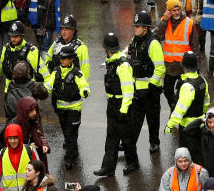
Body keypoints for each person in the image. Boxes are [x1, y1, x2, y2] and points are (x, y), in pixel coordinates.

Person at [93, 31, 140, 177]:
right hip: (113, 103)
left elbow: (128, 90)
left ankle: (133, 163)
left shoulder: (122, 65)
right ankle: (108, 167)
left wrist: (123, 110)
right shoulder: (112, 61)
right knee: (111, 137)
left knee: (126, 138)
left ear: (107, 49)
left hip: (122, 105)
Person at [43, 45, 89, 169]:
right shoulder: (56, 71)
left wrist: (85, 91)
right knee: (66, 132)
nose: (62, 60)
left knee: (70, 134)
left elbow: (84, 85)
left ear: (71, 59)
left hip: (74, 109)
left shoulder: (77, 73)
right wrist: (42, 90)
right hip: (61, 109)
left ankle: (70, 158)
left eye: (65, 58)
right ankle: (73, 151)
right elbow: (48, 84)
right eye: (61, 58)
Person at [128, 10, 166, 153]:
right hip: (137, 87)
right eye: (135, 26)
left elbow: (160, 68)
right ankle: (130, 142)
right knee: (134, 119)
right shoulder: (134, 41)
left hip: (150, 89)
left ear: (145, 28)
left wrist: (151, 85)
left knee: (152, 118)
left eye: (138, 26)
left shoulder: (153, 44)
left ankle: (154, 142)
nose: (135, 28)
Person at [157, 0, 204, 108]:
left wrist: (197, 66)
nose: (177, 12)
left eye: (178, 9)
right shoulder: (165, 21)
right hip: (169, 65)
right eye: (174, 10)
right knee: (168, 91)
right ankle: (174, 107)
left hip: (184, 65)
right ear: (168, 11)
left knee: (184, 91)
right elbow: (158, 35)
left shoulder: (189, 23)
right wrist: (164, 20)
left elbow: (195, 46)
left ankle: (180, 110)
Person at [166, 51, 210, 147]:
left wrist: (170, 124)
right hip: (200, 123)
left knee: (187, 154)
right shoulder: (202, 80)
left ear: (184, 67)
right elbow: (206, 102)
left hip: (187, 127)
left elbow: (180, 109)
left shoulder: (187, 86)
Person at [0, 124, 40, 191]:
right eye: (10, 138)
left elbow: (40, 173)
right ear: (6, 139)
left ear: (19, 137)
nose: (12, 141)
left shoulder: (30, 151)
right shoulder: (2, 154)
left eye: (15, 137)